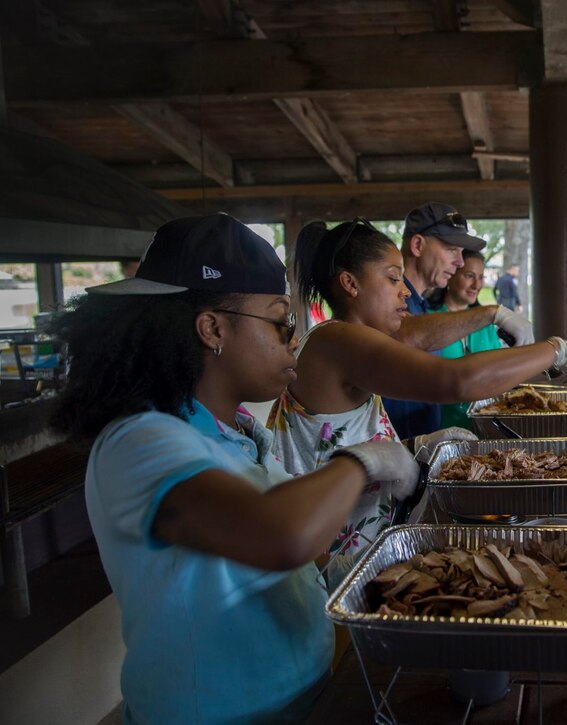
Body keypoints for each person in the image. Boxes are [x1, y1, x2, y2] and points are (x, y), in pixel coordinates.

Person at [50, 214, 420, 724]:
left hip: (303, 697)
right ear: (212, 328)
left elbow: (291, 552)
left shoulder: (239, 430)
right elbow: (278, 535)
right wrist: (363, 460)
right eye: (280, 322)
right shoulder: (140, 440)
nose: (294, 340)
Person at [269, 218, 567, 571]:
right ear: (350, 284)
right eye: (391, 278)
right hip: (326, 556)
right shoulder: (338, 341)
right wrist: (557, 349)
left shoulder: (339, 338)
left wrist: (416, 447)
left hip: (349, 542)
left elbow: (407, 346)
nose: (404, 290)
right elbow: (454, 381)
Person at [383, 202, 533, 438]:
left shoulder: (419, 304)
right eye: (452, 249)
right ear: (418, 245)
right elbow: (407, 334)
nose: (460, 262)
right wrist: (492, 313)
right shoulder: (393, 300)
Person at [426, 249, 505, 429]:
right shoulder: (428, 319)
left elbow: (498, 373)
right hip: (436, 429)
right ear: (451, 275)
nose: (477, 285)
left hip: (484, 428)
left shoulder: (486, 324)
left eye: (481, 277)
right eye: (469, 276)